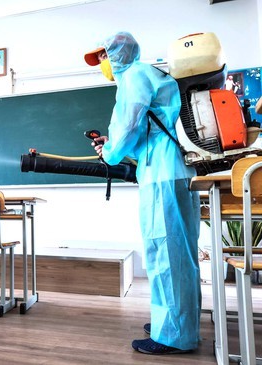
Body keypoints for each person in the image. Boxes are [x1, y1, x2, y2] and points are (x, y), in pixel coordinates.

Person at [84, 32, 201, 355]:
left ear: (119, 54)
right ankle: (178, 322)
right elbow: (143, 133)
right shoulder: (150, 74)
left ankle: (173, 335)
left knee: (166, 253)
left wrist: (109, 152)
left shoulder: (134, 76)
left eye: (104, 57)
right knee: (180, 255)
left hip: (163, 174)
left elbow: (127, 129)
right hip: (174, 170)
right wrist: (113, 148)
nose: (102, 65)